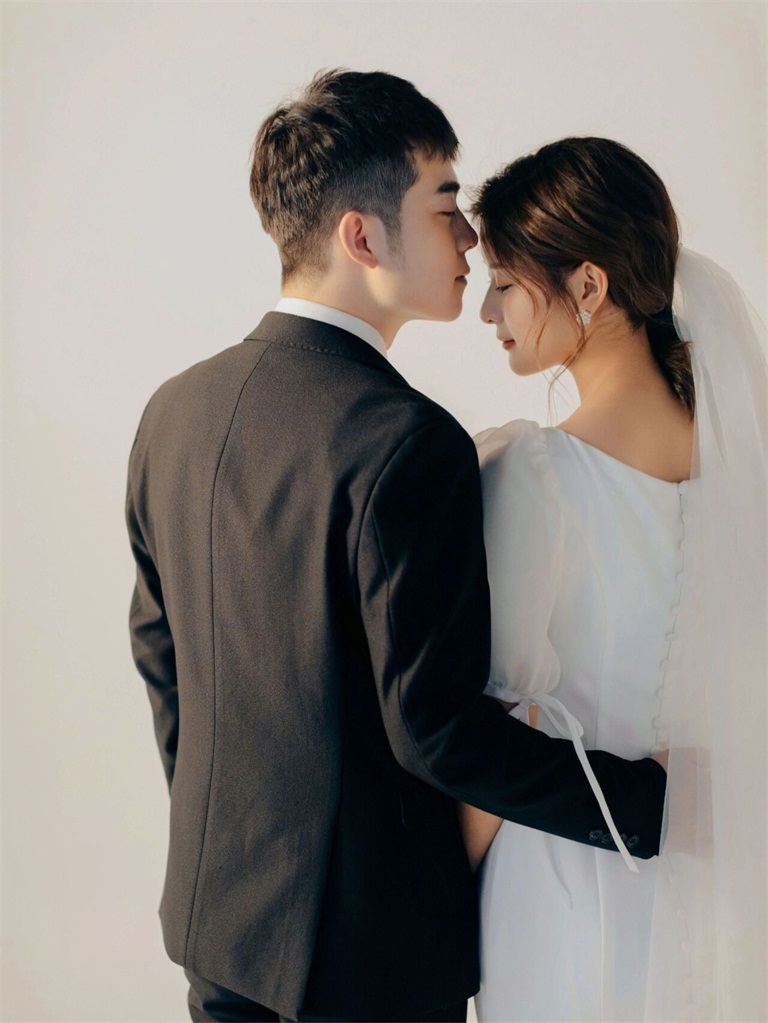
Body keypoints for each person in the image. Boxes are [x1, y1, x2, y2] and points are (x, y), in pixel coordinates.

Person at [125, 75, 668, 1023]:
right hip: (370, 958)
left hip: (219, 929)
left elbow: (160, 654)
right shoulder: (407, 441)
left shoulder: (173, 411)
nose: (470, 239)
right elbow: (436, 729)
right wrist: (648, 804)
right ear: (363, 237)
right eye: (445, 206)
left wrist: (233, 843)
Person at [462, 137, 766, 1021]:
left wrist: (434, 897)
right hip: (707, 893)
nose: (487, 310)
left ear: (588, 286)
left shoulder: (535, 474)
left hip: (557, 887)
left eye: (505, 283)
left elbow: (499, 732)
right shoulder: (743, 476)